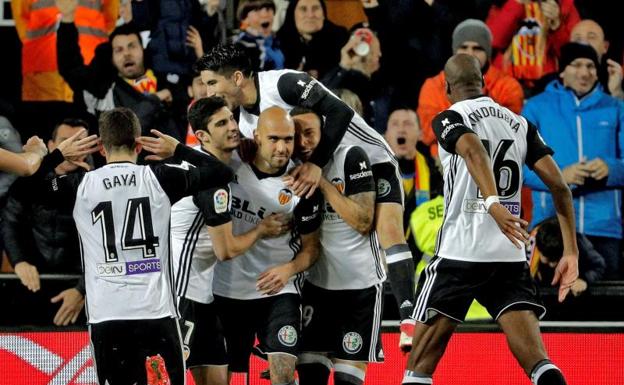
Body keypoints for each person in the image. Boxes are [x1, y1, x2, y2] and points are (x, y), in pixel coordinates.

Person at [196, 43, 416, 351]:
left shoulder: (283, 83)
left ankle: (409, 315)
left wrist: (315, 163)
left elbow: (338, 111)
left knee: (389, 230)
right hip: (322, 173)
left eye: (211, 83)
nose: (207, 92)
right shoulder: (246, 121)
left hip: (370, 157)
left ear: (235, 78)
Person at [402, 54, 579, 385]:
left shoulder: (448, 117)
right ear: (482, 83)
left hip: (460, 254)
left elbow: (473, 150)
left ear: (448, 88)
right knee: (539, 364)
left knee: (418, 369)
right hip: (508, 255)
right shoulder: (519, 123)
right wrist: (571, 252)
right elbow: (560, 186)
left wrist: (493, 202)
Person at [35, 107, 233, 385]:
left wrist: (57, 156)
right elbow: (221, 172)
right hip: (156, 314)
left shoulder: (81, 185)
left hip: (107, 316)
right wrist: (178, 149)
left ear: (101, 148)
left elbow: (27, 187)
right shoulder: (160, 178)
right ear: (139, 144)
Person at [138, 96, 288, 385]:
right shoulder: (206, 180)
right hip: (181, 300)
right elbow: (226, 249)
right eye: (222, 123)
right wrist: (262, 230)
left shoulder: (207, 162)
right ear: (203, 136)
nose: (233, 127)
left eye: (231, 119)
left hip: (205, 299)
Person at [210, 106, 321, 385]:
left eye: (288, 139)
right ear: (257, 137)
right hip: (228, 288)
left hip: (278, 290)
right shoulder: (232, 164)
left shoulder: (301, 185)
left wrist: (288, 270)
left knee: (282, 376)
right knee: (228, 378)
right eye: (274, 139)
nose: (282, 147)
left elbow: (312, 248)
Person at [290, 107, 384, 385]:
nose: (303, 142)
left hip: (359, 290)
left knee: (346, 381)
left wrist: (322, 183)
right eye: (296, 136)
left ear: (325, 133)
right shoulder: (288, 167)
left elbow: (364, 221)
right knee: (310, 378)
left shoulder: (350, 157)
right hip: (315, 288)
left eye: (309, 133)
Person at [523, 42, 624, 280]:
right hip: (551, 227)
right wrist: (560, 176)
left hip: (603, 226)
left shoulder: (616, 108)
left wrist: (612, 168)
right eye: (576, 64)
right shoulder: (536, 108)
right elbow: (519, 169)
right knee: (547, 307)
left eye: (590, 65)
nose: (585, 72)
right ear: (562, 70)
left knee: (605, 310)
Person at [2, 119, 93, 326]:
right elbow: (10, 221)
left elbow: (109, 244)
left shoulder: (97, 184)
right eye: (66, 141)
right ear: (52, 145)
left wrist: (82, 289)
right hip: (37, 283)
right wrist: (19, 260)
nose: (72, 147)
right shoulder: (28, 184)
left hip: (83, 286)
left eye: (79, 142)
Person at [55, 0, 180, 140]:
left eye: (132, 46)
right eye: (119, 50)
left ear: (143, 50)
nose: (127, 54)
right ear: (112, 59)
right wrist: (67, 19)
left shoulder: (171, 80)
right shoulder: (103, 92)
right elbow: (71, 68)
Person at [12, 0, 117, 139]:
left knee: (92, 146)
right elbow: (23, 22)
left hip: (87, 82)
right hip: (43, 84)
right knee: (42, 148)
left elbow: (110, 21)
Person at [418, 19, 524, 157]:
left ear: (488, 53)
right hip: (445, 162)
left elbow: (509, 131)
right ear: (454, 51)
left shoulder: (508, 86)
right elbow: (429, 134)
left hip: (495, 159)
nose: (470, 54)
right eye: (464, 47)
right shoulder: (433, 86)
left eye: (477, 48)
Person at [383, 108, 442, 267]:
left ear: (420, 134)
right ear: (386, 135)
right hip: (386, 262)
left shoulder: (437, 176)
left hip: (423, 265)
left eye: (408, 124)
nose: (401, 129)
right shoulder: (374, 175)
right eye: (395, 124)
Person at [486, 0, 580, 91]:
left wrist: (557, 26)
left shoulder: (565, 5)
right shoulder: (502, 3)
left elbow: (574, 55)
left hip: (547, 82)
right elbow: (493, 41)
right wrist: (515, 4)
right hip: (506, 80)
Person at [531, 217, 605, 297]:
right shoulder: (530, 245)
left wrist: (584, 279)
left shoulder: (579, 243)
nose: (552, 265)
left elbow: (599, 265)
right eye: (548, 259)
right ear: (538, 250)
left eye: (556, 259)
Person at [276, 0, 349, 79]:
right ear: (292, 15)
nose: (310, 15)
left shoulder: (341, 38)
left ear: (323, 14)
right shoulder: (277, 43)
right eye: (303, 9)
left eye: (315, 8)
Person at [569, 19, 624, 99]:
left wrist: (616, 93)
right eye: (578, 38)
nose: (584, 43)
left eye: (591, 37)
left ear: (605, 47)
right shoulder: (552, 83)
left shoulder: (617, 82)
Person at [234, 0, 285, 71]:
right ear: (245, 19)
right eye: (256, 10)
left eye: (268, 9)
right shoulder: (241, 46)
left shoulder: (279, 40)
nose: (265, 15)